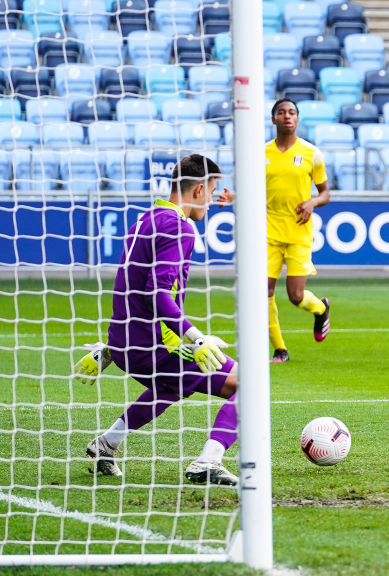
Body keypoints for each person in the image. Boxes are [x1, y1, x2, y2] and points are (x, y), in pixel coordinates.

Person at [73, 154, 240, 486]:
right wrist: (196, 337)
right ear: (197, 190)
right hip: (158, 345)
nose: (214, 196)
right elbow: (157, 292)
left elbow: (130, 285)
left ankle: (106, 445)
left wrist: (111, 348)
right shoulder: (180, 228)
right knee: (249, 384)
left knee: (169, 387)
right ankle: (209, 460)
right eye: (213, 189)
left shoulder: (147, 220)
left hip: (126, 340)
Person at [265, 98, 332, 362]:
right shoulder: (261, 153)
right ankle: (280, 349)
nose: (286, 116)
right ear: (274, 119)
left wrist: (313, 202)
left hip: (298, 234)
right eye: (281, 112)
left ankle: (320, 308)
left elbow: (325, 192)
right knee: (264, 293)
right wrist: (232, 197)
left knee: (295, 296)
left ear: (297, 118)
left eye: (291, 112)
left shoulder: (312, 153)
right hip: (268, 233)